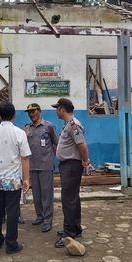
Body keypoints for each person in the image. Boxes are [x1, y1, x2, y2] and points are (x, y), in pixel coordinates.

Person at [0, 101, 31, 254]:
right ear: (14, 115)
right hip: (13, 181)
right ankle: (11, 244)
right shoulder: (20, 133)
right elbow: (25, 158)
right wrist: (26, 179)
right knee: (12, 212)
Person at [51, 98, 90, 248]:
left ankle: (68, 234)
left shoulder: (74, 125)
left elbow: (82, 146)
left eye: (57, 108)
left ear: (62, 109)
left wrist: (85, 162)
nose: (56, 111)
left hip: (72, 166)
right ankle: (75, 228)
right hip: (69, 166)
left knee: (68, 200)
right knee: (73, 198)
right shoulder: (68, 124)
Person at [24, 103, 58, 233]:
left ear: (40, 111)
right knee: (36, 194)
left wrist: (56, 160)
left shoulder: (48, 126)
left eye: (34, 111)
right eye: (29, 112)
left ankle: (48, 220)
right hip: (32, 166)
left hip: (46, 166)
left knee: (47, 195)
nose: (31, 114)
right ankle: (40, 216)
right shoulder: (27, 129)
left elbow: (56, 143)